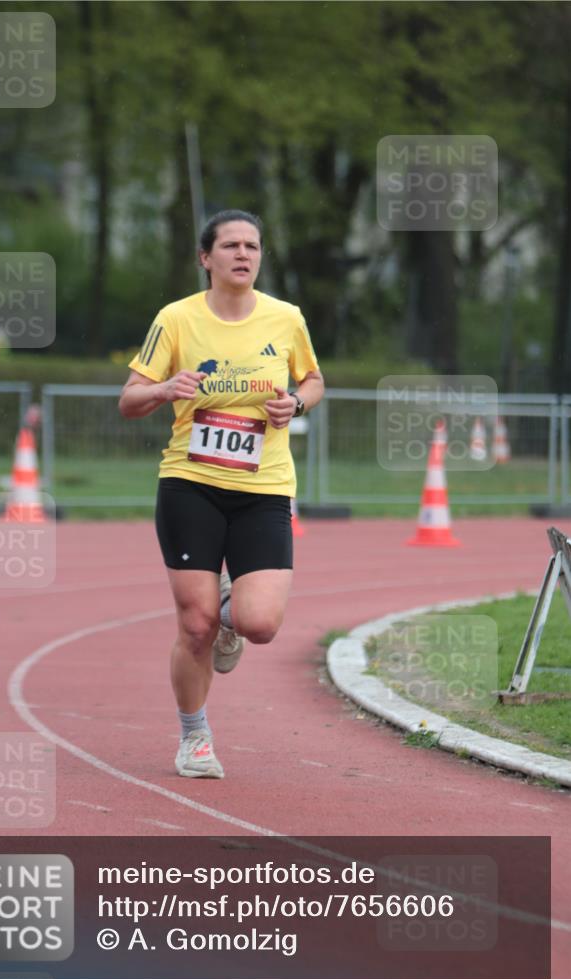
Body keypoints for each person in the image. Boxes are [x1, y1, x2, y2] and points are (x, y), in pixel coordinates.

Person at [119, 209, 324, 779]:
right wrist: (165, 388)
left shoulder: (286, 318)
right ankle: (195, 738)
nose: (243, 254)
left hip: (264, 487)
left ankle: (231, 614)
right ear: (205, 258)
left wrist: (297, 403)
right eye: (231, 245)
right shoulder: (176, 319)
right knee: (195, 625)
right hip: (190, 484)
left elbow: (313, 379)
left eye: (252, 246)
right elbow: (129, 400)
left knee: (260, 624)